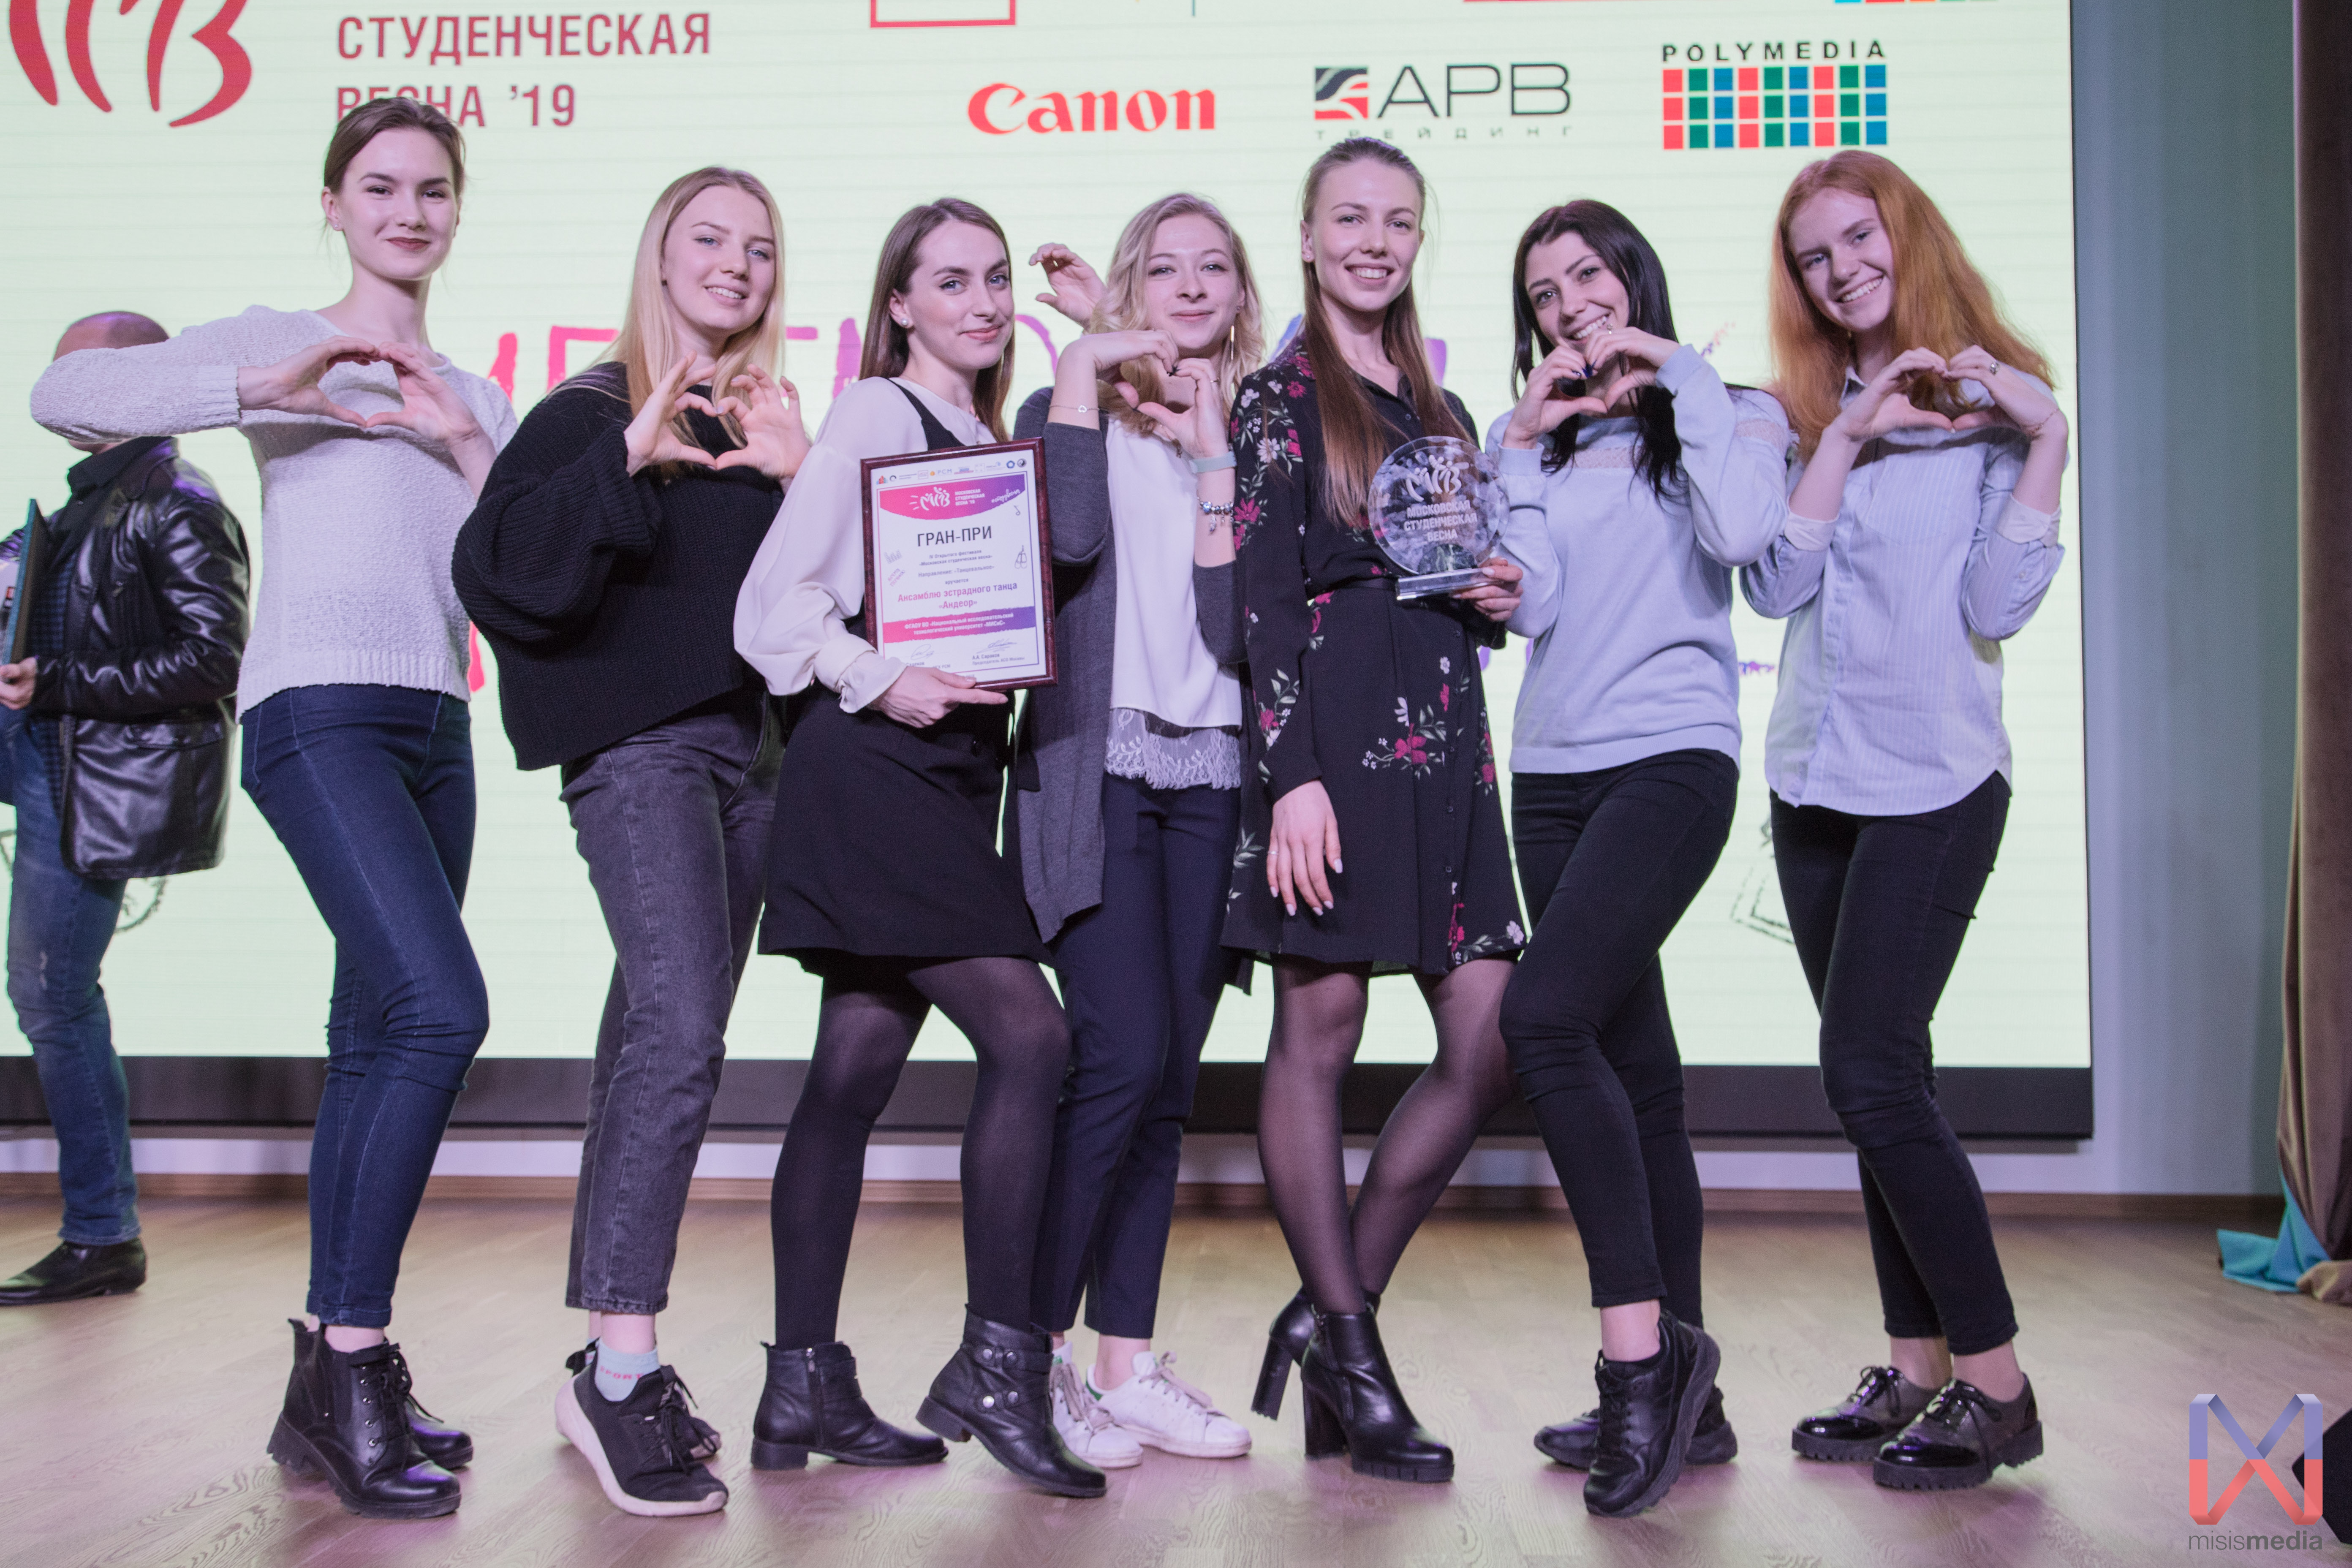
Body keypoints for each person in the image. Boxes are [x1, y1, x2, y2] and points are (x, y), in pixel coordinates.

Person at [32, 96, 514, 1520]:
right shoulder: (273, 338)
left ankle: (325, 1374)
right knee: (441, 1009)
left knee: (375, 1035)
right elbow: (68, 395)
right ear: (334, 203)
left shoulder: (476, 392)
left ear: (458, 208)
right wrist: (269, 383)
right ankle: (354, 1359)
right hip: (317, 713)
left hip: (437, 724)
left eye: (433, 190)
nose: (410, 212)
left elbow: (513, 576)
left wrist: (463, 444)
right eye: (382, 187)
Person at [733, 198, 1100, 1500]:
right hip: (875, 770)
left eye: (996, 278)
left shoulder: (980, 440)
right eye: (950, 281)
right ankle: (998, 1365)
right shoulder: (880, 412)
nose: (984, 302)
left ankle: (801, 1385)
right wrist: (879, 677)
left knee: (853, 1070)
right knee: (1034, 1039)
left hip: (944, 782)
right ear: (898, 304)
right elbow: (773, 610)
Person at [454, 167, 807, 1517]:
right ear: (659, 257)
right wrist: (624, 460)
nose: (735, 264)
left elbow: (809, 605)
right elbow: (495, 570)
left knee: (649, 1037)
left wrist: (801, 479)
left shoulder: (762, 422)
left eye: (758, 248)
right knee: (678, 1030)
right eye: (708, 239)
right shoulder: (589, 410)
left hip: (754, 761)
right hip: (645, 755)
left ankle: (601, 1356)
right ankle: (621, 1364)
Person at [1744, 149, 2066, 1492]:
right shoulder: (1797, 411)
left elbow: (1996, 607)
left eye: (1858, 239)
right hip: (1814, 783)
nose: (1841, 270)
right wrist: (1841, 438)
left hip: (1935, 781)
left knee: (1870, 1074)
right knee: (1885, 1086)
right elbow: (1772, 585)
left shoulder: (1999, 407)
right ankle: (1916, 1366)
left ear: (1906, 236)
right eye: (1813, 255)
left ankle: (1998, 1385)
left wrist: (2045, 440)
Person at [1228, 138, 1531, 1485]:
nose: (1372, 240)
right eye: (1348, 218)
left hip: (1448, 740)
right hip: (1333, 740)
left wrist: (1498, 592)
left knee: (1489, 1037)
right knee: (1325, 1026)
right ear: (1306, 236)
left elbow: (1453, 574)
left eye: (1397, 221)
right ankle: (1351, 1347)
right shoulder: (1276, 397)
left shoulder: (1444, 405)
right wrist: (1290, 776)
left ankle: (1328, 1315)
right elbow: (1258, 601)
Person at [1484, 201, 1790, 1516]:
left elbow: (1741, 538)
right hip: (1550, 774)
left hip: (1672, 760)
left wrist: (1678, 374)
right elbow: (1536, 605)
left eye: (1588, 276)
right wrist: (1517, 447)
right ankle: (1695, 1402)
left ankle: (1640, 1372)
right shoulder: (1538, 441)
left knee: (1542, 1021)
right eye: (1545, 293)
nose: (1570, 305)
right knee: (1640, 1081)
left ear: (1634, 279)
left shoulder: (1733, 411)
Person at [1006, 195, 1261, 1470]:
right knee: (1118, 1055)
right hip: (1095, 769)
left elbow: (1233, 628)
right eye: (1165, 268)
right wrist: (1083, 368)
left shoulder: (1250, 434)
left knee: (1168, 1084)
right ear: (1127, 289)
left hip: (1211, 777)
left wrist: (1213, 454)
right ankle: (1027, 1360)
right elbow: (1060, 541)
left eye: (1215, 268)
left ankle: (1127, 1362)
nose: (1192, 286)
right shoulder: (1065, 410)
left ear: (1243, 294)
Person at [0, 312, 248, 1309]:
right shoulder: (88, 502)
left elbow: (214, 658)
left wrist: (56, 682)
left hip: (86, 780)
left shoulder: (177, 502)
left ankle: (102, 1234)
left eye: (79, 375)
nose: (56, 392)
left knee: (52, 994)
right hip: (49, 761)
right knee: (50, 994)